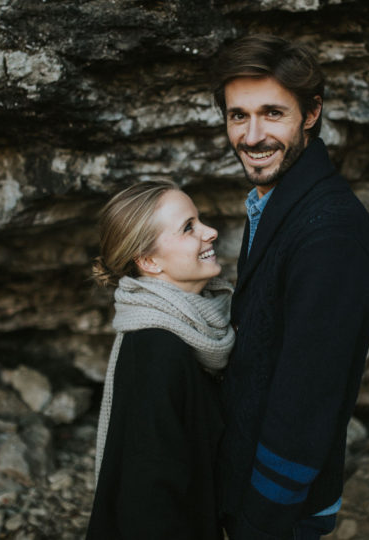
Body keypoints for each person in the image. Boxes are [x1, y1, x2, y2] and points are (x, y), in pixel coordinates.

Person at [211, 34, 369, 539]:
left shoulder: (330, 233)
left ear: (310, 114)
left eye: (272, 113)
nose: (252, 135)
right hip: (246, 489)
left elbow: (307, 399)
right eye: (237, 115)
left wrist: (260, 521)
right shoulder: (275, 201)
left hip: (279, 512)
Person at [85, 180, 235, 539]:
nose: (210, 232)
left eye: (200, 220)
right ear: (149, 261)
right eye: (188, 228)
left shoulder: (184, 331)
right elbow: (149, 500)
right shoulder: (158, 349)